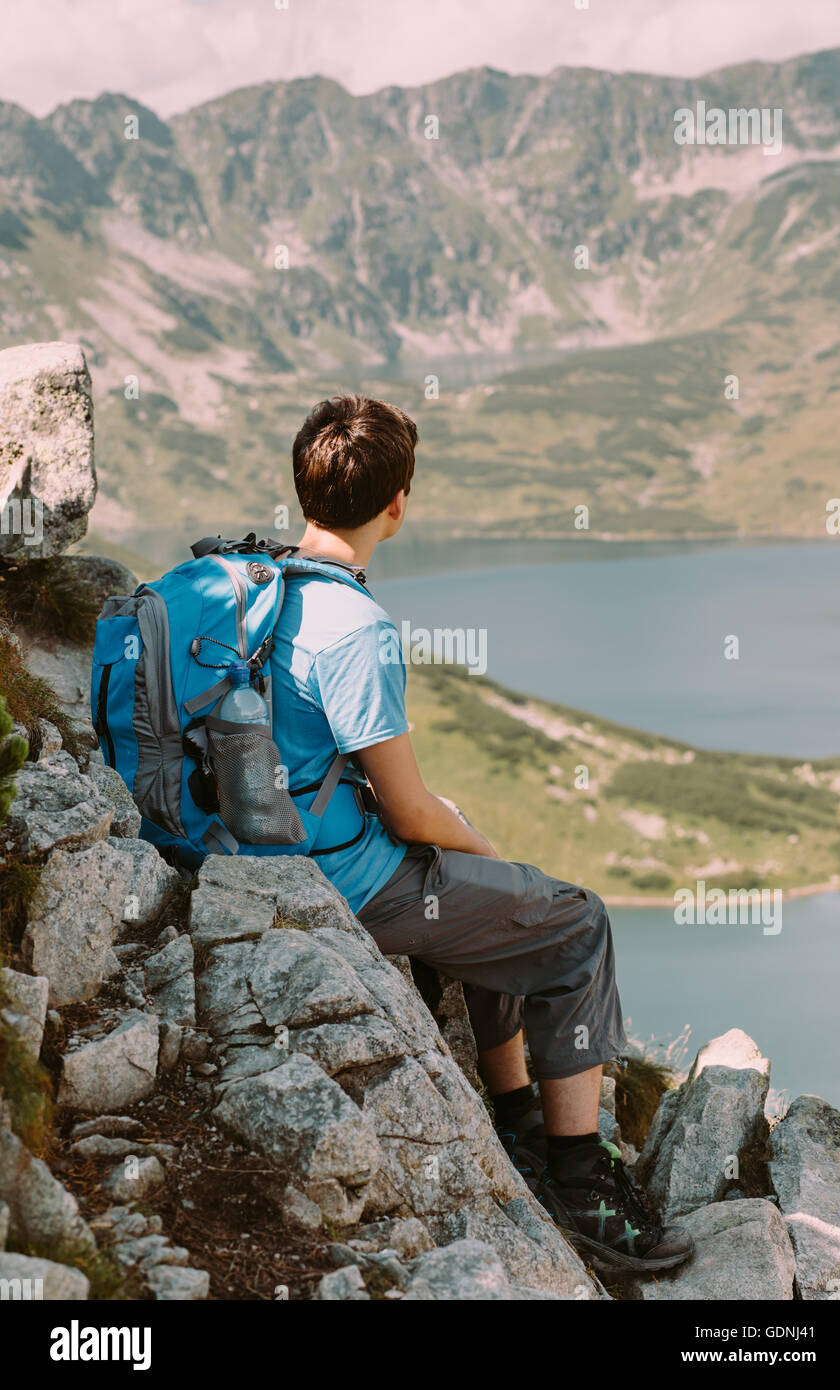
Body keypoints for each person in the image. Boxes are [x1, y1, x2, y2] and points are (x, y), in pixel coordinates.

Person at [271, 392, 694, 1276]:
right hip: (335, 881)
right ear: (398, 504)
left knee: (488, 892)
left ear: (305, 489)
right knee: (572, 921)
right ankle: (582, 1187)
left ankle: (517, 1118)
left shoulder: (254, 583)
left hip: (249, 851)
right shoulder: (353, 625)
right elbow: (415, 812)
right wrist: (495, 858)